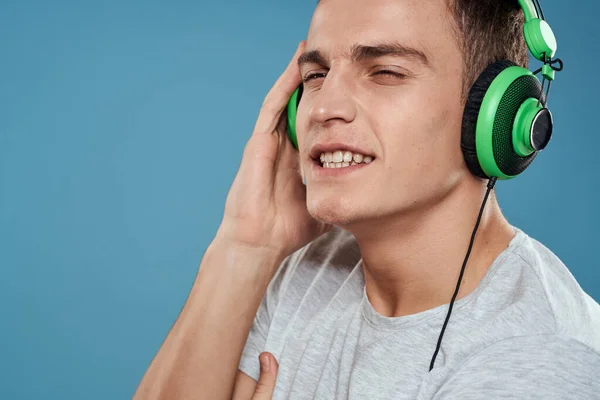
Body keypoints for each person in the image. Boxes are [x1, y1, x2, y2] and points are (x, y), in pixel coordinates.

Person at [133, 0, 600, 398]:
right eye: (316, 74)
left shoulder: (533, 359)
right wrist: (245, 245)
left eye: (385, 72)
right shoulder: (309, 268)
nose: (323, 107)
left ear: (497, 117)